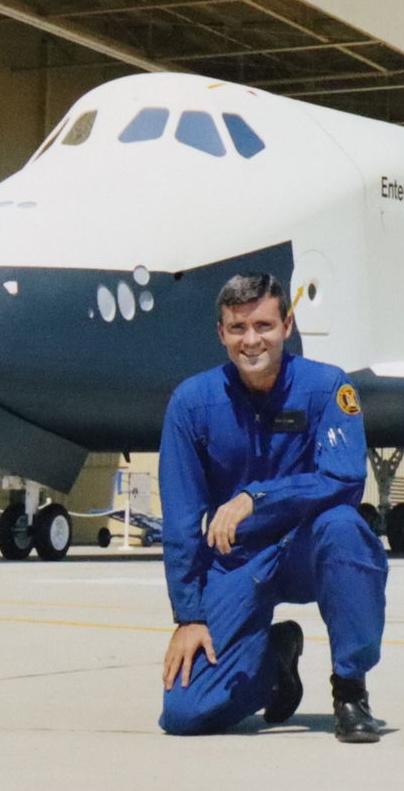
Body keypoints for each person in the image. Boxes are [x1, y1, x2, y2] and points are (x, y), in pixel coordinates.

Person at [158, 272, 389, 743]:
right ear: (221, 333)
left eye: (263, 325)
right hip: (237, 561)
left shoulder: (327, 388)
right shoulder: (192, 403)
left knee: (346, 527)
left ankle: (349, 689)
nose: (251, 340)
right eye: (238, 328)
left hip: (308, 546)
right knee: (185, 714)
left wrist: (255, 498)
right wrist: (189, 616)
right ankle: (276, 658)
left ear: (287, 325)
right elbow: (181, 518)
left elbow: (344, 478)